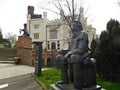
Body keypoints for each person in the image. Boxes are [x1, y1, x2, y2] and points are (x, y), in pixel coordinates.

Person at [63, 20, 89, 90]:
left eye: (74, 25)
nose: (73, 27)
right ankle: (65, 80)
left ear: (79, 26)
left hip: (83, 55)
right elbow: (70, 48)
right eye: (72, 26)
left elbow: (81, 49)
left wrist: (69, 53)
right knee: (60, 58)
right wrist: (64, 51)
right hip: (73, 54)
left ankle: (78, 86)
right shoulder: (73, 36)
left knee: (74, 57)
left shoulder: (83, 34)